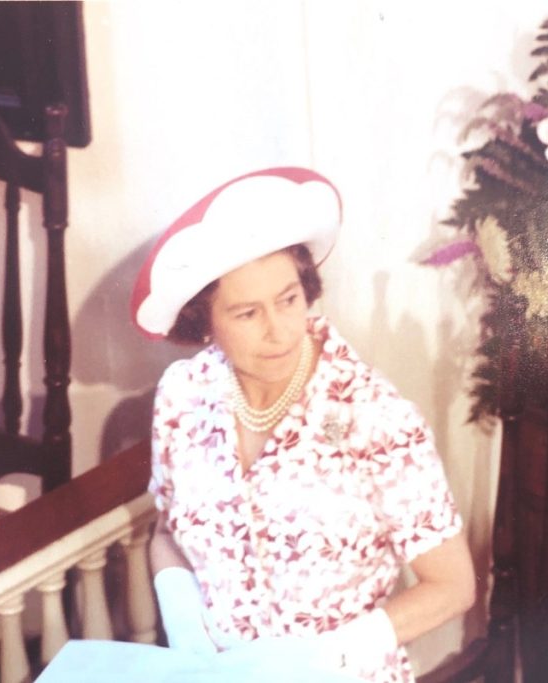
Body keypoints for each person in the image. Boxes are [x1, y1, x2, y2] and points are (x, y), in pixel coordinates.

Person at [130, 167, 475, 683]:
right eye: (247, 313)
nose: (280, 331)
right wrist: (183, 622)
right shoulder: (183, 395)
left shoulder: (375, 416)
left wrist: (328, 656)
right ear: (205, 322)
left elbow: (453, 585)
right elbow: (169, 530)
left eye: (288, 300)